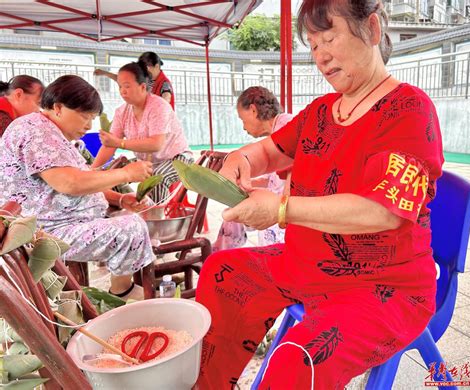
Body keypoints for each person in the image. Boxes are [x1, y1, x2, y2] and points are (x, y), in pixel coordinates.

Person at [194, 0, 444, 388]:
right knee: (221, 273)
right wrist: (238, 160)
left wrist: (280, 209)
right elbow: (268, 151)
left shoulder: (409, 109)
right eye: (312, 45)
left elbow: (384, 211)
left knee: (298, 359)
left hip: (383, 285)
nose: (321, 56)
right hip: (308, 261)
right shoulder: (321, 111)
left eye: (329, 37)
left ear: (372, 30)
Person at [0, 75, 155, 300]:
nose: (89, 125)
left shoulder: (50, 132)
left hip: (61, 222)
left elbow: (81, 181)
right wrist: (126, 173)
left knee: (129, 217)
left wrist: (119, 200)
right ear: (58, 107)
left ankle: (123, 286)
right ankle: (123, 292)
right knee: (131, 228)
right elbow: (69, 183)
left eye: (92, 118)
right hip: (44, 233)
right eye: (84, 116)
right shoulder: (35, 130)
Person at [92, 62, 192, 203]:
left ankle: (154, 219)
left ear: (143, 87)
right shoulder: (121, 112)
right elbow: (110, 145)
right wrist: (93, 170)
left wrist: (120, 143)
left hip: (178, 158)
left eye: (127, 86)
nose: (122, 91)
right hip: (148, 162)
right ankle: (122, 212)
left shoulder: (158, 106)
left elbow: (156, 144)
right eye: (120, 86)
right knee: (110, 175)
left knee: (155, 178)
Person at [213, 86, 293, 251]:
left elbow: (291, 179)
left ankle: (219, 254)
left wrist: (284, 210)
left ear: (253, 110)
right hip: (281, 206)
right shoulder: (277, 131)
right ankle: (220, 253)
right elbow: (275, 180)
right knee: (234, 214)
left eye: (242, 119)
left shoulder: (287, 125)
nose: (243, 127)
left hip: (288, 212)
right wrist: (246, 182)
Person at [94, 51, 175, 109]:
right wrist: (105, 73)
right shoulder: (147, 79)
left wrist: (157, 108)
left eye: (146, 67)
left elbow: (167, 97)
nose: (144, 70)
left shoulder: (165, 83)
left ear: (156, 66)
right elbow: (125, 81)